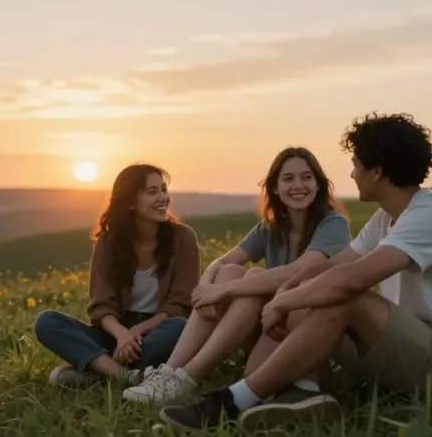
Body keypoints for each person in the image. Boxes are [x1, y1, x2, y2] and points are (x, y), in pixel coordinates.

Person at [157, 112, 432, 433]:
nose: (351, 175)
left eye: (356, 165)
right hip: (407, 346)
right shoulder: (385, 219)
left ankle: (230, 402)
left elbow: (352, 278)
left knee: (345, 296)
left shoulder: (430, 215)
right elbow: (332, 266)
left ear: (376, 171)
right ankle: (303, 391)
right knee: (321, 288)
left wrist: (283, 303)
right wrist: (290, 290)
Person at [122, 147, 351, 404]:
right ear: (275, 188)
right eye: (288, 179)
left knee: (250, 280)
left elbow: (299, 271)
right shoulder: (271, 227)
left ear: (318, 185)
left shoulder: (333, 224)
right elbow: (224, 261)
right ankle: (169, 374)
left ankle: (188, 375)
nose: (298, 185)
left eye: (306, 177)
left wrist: (223, 291)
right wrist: (207, 288)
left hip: (307, 327)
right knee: (232, 272)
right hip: (271, 320)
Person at [34, 163, 200, 387]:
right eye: (153, 192)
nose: (163, 198)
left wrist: (137, 331)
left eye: (163, 189)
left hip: (160, 330)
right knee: (47, 322)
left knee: (180, 327)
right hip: (115, 335)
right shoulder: (108, 243)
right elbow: (102, 306)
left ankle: (98, 373)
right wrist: (122, 335)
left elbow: (180, 305)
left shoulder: (183, 238)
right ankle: (127, 376)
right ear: (130, 202)